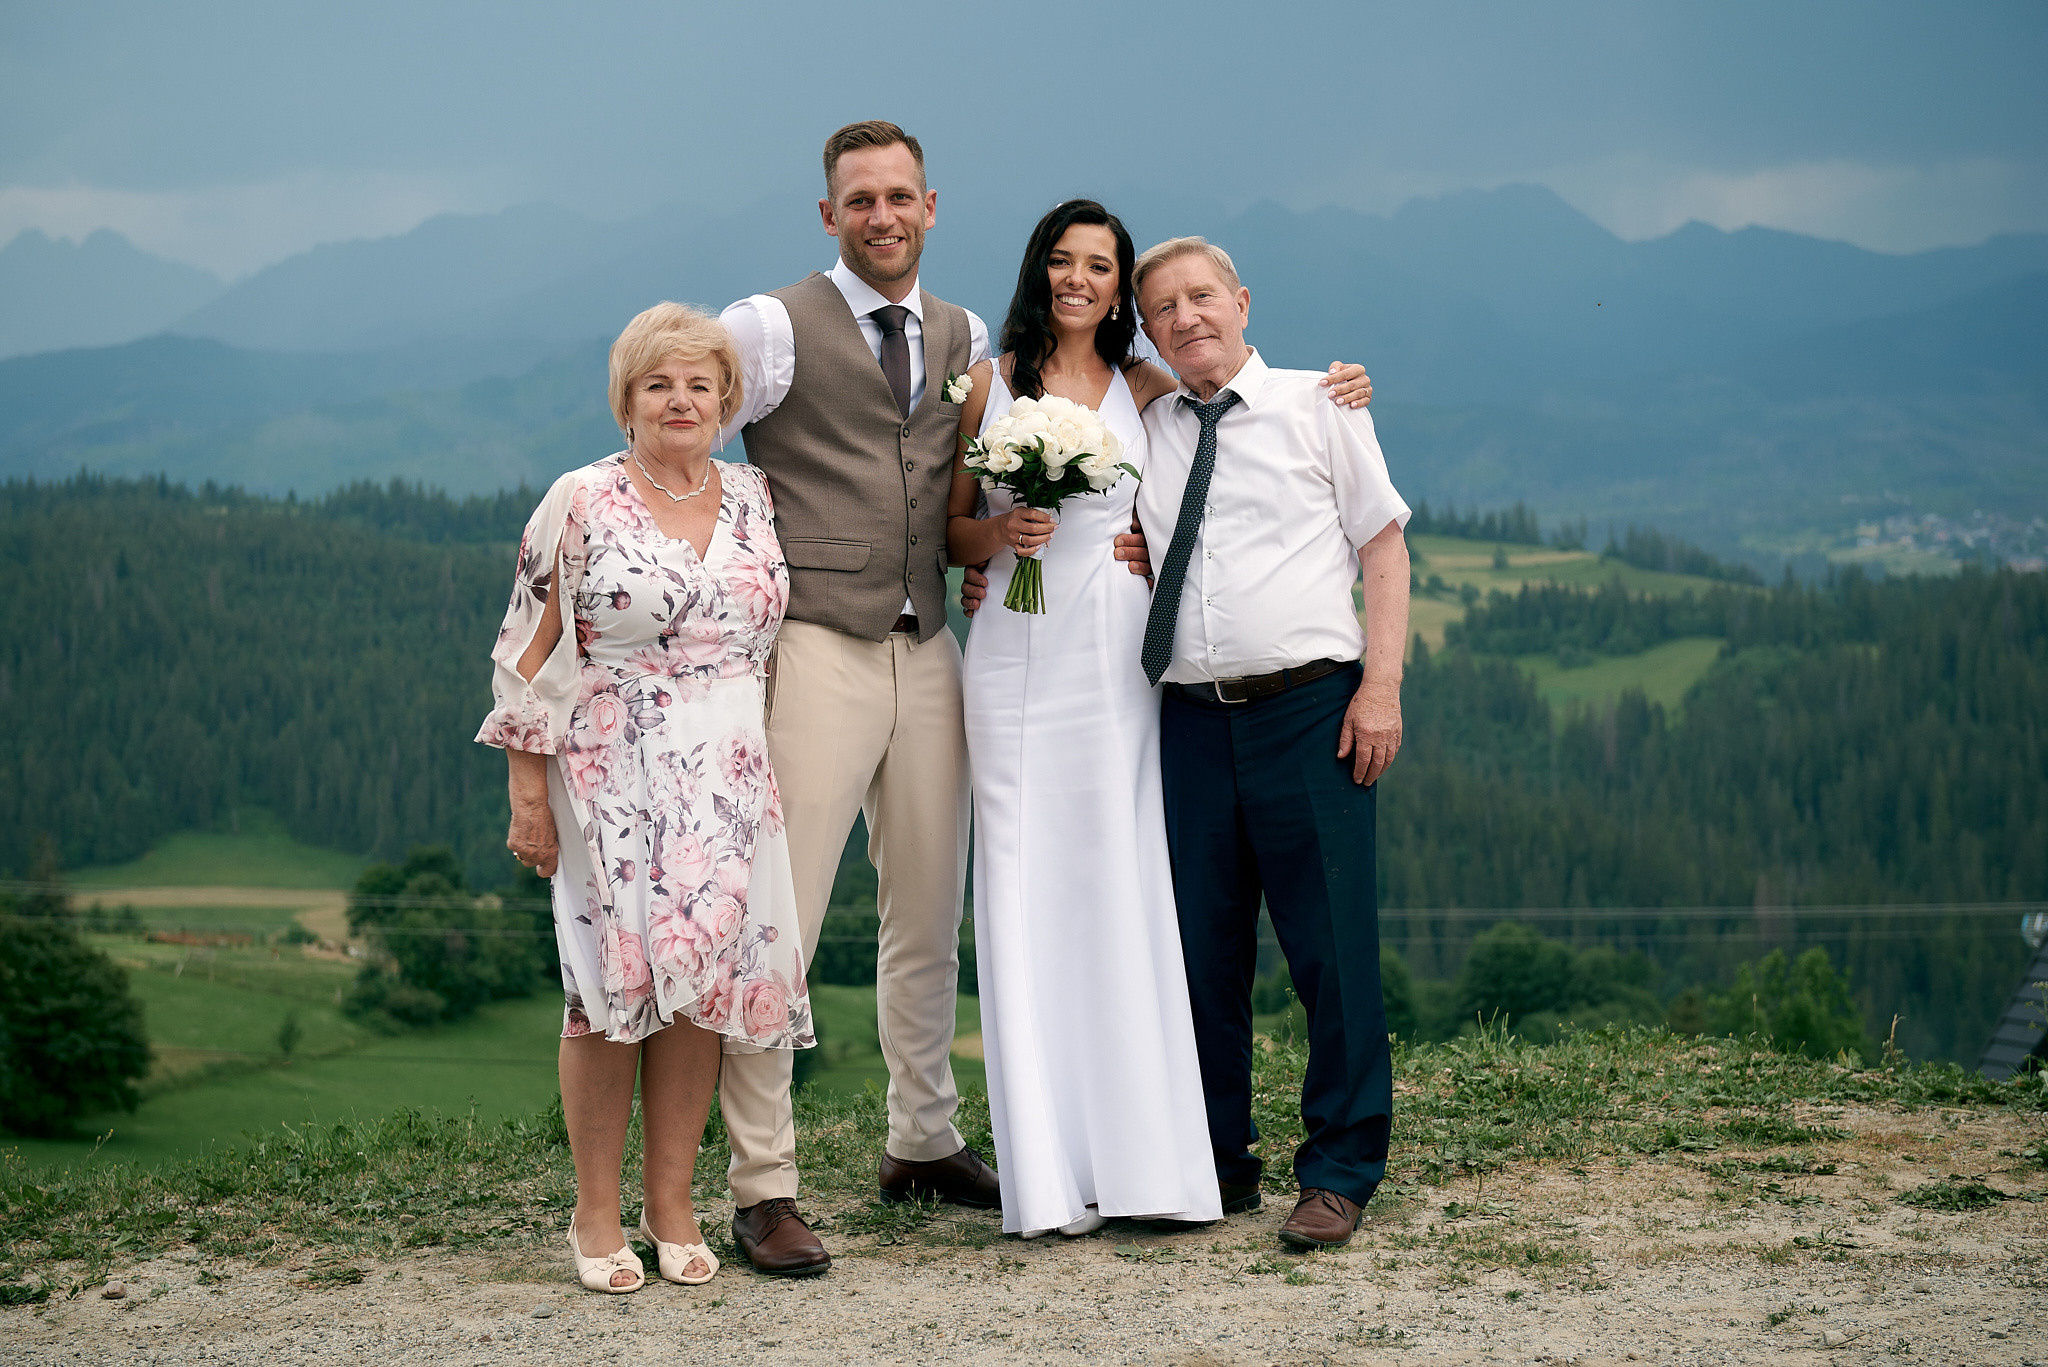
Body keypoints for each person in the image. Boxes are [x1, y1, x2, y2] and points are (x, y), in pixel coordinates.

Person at [949, 201, 1373, 1238]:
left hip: (1123, 661)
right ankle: (1053, 1161)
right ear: (1038, 270)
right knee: (1040, 888)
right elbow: (950, 532)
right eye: (1062, 260)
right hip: (1016, 647)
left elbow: (1208, 461)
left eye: (1099, 265)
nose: (1077, 279)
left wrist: (1340, 389)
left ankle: (1162, 1153)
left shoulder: (1150, 386)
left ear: (1121, 285)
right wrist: (1000, 534)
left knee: (1135, 889)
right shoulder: (987, 380)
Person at [708, 120, 997, 1277]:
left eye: (899, 196)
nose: (881, 216)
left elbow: (1082, 385)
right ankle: (762, 1182)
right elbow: (677, 431)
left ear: (931, 205)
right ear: (828, 218)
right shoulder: (767, 326)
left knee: (927, 909)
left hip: (927, 644)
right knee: (780, 916)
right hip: (811, 650)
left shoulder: (964, 333)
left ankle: (920, 1139)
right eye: (857, 200)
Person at [477, 302, 814, 1293]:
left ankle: (672, 1200)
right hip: (610, 779)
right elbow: (523, 652)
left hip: (730, 781)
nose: (681, 400)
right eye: (659, 383)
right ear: (627, 398)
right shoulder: (581, 499)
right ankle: (593, 1208)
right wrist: (527, 797)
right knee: (606, 993)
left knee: (701, 991)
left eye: (699, 384)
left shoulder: (753, 494)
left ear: (725, 400)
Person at [1131, 237, 1410, 1252]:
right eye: (1161, 307)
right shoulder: (1147, 426)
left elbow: (1380, 542)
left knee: (1328, 950)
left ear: (1241, 301)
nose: (1185, 316)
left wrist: (1377, 690)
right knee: (1198, 953)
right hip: (1187, 721)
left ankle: (1337, 1168)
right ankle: (1213, 1156)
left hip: (1308, 711)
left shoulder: (1319, 404)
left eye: (1200, 295)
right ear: (1146, 329)